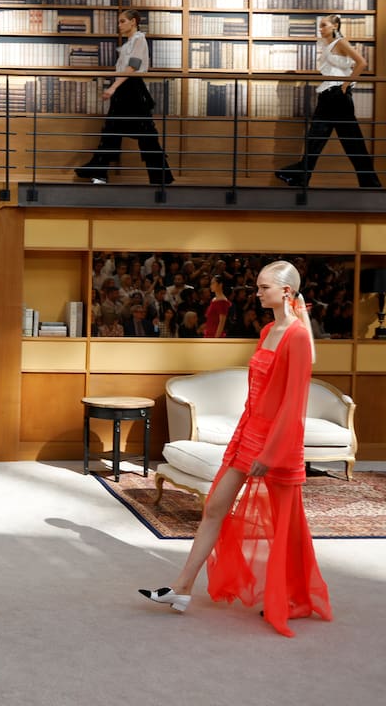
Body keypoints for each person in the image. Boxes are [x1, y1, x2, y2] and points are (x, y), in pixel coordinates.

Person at [139, 261, 331, 637]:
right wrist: (245, 437)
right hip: (247, 433)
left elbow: (293, 404)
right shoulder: (267, 330)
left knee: (286, 524)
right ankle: (181, 589)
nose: (256, 293)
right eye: (258, 287)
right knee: (213, 507)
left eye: (263, 287)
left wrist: (271, 453)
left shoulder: (295, 336)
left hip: (277, 443)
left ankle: (295, 599)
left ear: (286, 292)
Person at [276, 14, 381, 188]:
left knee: (352, 142)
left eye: (324, 25)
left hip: (337, 97)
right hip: (327, 96)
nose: (321, 28)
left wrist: (346, 85)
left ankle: (371, 183)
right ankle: (300, 176)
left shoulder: (340, 42)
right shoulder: (327, 45)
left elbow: (361, 62)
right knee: (315, 139)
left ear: (334, 26)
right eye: (320, 25)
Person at [75, 9, 174, 185]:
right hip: (125, 89)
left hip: (132, 89)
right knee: (112, 131)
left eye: (122, 21)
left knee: (145, 134)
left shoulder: (139, 40)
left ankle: (161, 178)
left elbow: (133, 67)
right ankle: (99, 173)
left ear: (133, 22)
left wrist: (113, 87)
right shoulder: (128, 43)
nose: (119, 25)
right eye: (119, 22)